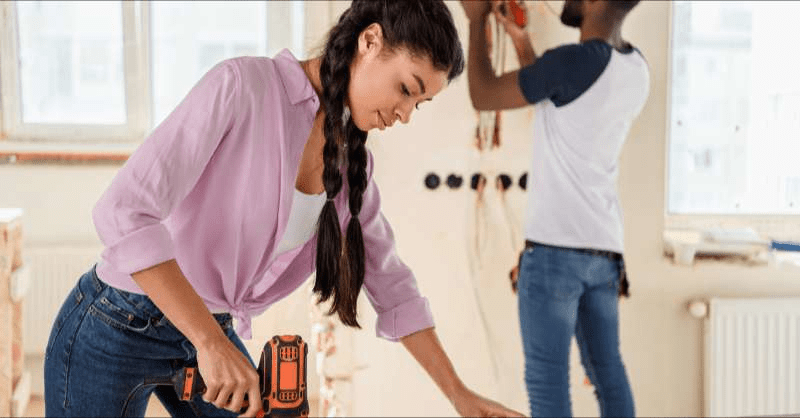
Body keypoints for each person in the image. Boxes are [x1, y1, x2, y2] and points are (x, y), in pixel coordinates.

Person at [44, 1, 523, 417]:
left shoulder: (352, 164)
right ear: (370, 40)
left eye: (419, 104)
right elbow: (123, 211)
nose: (403, 115)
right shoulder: (243, 87)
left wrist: (460, 397)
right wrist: (210, 342)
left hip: (205, 330)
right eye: (405, 88)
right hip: (115, 324)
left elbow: (393, 287)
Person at [461, 0, 650, 416]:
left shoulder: (573, 62)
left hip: (554, 256)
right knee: (608, 375)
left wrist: (476, 21)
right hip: (604, 255)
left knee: (547, 385)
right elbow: (562, 98)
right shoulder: (636, 68)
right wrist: (522, 42)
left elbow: (483, 94)